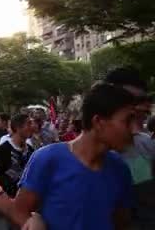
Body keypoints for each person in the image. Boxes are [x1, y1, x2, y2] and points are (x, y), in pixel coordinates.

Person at [14, 83, 135, 230]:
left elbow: (122, 223)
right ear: (98, 122)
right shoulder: (47, 159)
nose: (135, 129)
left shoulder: (120, 169)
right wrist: (34, 219)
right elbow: (19, 212)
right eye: (127, 121)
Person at [104, 67, 155, 229]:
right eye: (129, 100)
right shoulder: (80, 156)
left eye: (142, 100)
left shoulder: (146, 144)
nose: (142, 107)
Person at [0, 114, 34, 197]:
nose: (32, 126)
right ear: (17, 128)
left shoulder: (30, 150)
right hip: (7, 200)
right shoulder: (4, 148)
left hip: (25, 199)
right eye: (29, 123)